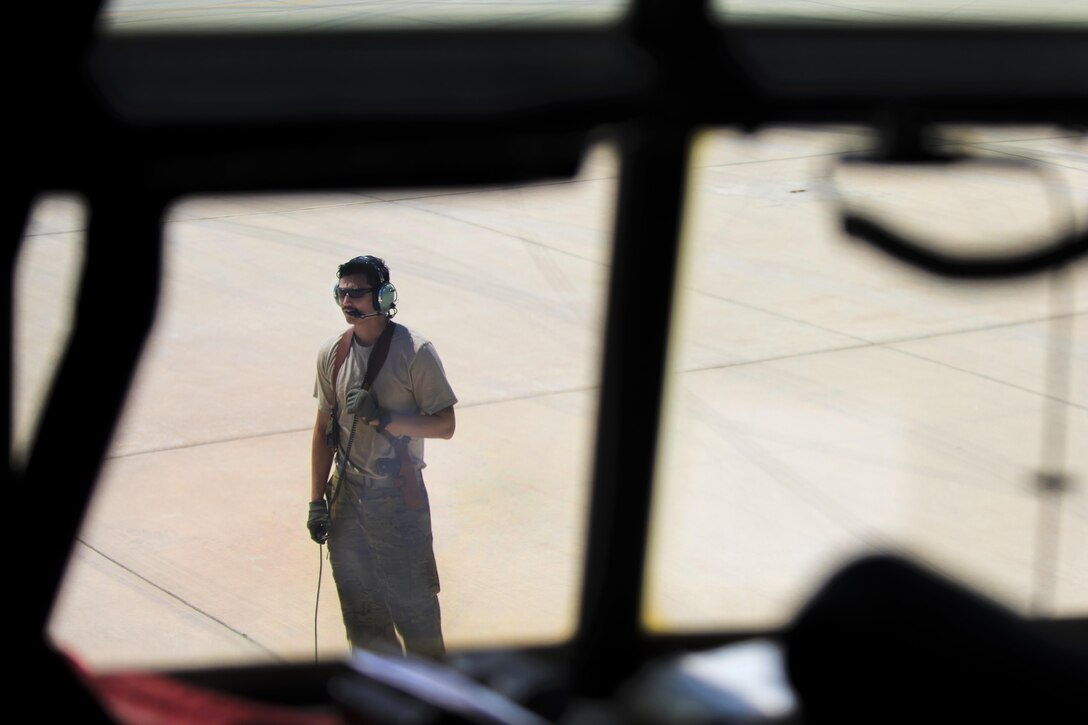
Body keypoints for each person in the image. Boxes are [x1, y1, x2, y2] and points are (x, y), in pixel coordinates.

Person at [307, 255, 456, 659]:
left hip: (396, 499)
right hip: (347, 500)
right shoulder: (333, 353)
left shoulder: (415, 352)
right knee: (362, 616)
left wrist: (386, 418)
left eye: (356, 292)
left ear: (384, 295)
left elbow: (445, 425)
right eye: (341, 293)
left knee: (415, 615)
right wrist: (317, 501)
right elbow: (323, 432)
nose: (346, 301)